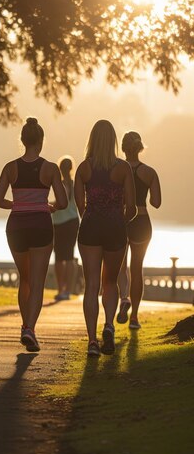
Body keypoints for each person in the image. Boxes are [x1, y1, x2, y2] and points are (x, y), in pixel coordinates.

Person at [0, 117, 67, 352]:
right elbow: (64, 202)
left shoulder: (10, 167)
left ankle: (25, 325)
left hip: (16, 227)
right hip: (41, 226)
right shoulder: (50, 168)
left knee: (24, 279)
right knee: (37, 282)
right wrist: (48, 205)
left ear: (23, 141)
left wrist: (17, 205)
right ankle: (29, 329)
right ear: (41, 141)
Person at [74, 120, 136, 357]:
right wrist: (119, 219)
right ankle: (109, 325)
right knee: (110, 282)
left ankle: (92, 341)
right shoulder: (123, 168)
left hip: (90, 227)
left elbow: (80, 205)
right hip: (115, 228)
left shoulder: (83, 168)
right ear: (113, 141)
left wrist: (91, 216)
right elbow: (131, 207)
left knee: (91, 286)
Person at [117, 131, 161, 329]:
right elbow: (156, 202)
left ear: (124, 148)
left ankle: (123, 297)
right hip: (142, 221)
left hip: (121, 220)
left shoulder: (117, 170)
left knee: (119, 265)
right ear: (140, 147)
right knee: (137, 269)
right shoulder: (149, 172)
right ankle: (134, 317)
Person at [52, 156, 79, 301]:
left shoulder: (62, 184)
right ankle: (67, 290)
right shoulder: (75, 184)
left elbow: (62, 202)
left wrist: (49, 205)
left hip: (60, 222)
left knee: (60, 257)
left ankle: (62, 288)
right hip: (71, 221)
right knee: (68, 256)